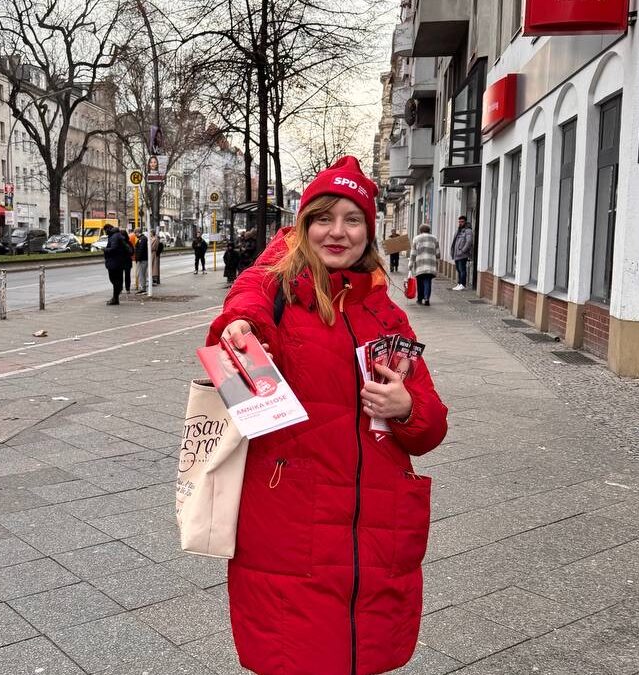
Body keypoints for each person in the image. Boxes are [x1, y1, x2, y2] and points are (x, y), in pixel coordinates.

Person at [206, 155, 448, 675]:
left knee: (365, 657)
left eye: (353, 219)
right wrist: (238, 326)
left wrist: (407, 408)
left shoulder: (387, 311)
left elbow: (431, 429)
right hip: (295, 533)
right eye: (323, 217)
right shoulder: (276, 299)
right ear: (303, 226)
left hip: (376, 530)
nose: (338, 232)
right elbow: (247, 298)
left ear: (370, 230)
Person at [409, 223, 441, 306]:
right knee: (428, 281)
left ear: (420, 230)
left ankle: (420, 299)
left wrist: (410, 264)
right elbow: (437, 253)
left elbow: (413, 253)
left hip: (420, 264)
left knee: (420, 282)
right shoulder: (434, 238)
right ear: (429, 230)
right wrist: (438, 261)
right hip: (430, 264)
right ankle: (427, 298)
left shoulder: (416, 239)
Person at [101, 224, 130, 305]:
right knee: (116, 280)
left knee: (114, 280)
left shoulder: (114, 237)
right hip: (118, 262)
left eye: (105, 230)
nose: (105, 232)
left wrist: (105, 250)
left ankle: (115, 298)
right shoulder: (117, 235)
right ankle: (115, 297)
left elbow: (114, 249)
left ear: (109, 229)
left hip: (114, 263)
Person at [450, 215, 473, 290]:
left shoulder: (468, 231)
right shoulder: (458, 230)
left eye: (462, 222)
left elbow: (469, 242)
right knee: (458, 269)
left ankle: (462, 284)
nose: (460, 223)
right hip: (456, 254)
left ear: (465, 222)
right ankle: (459, 283)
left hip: (462, 254)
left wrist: (463, 250)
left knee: (462, 269)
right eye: (459, 222)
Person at [120, 228, 134, 293]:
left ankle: (120, 289)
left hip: (120, 261)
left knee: (120, 276)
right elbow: (132, 252)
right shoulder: (129, 243)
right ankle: (127, 289)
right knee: (127, 276)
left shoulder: (119, 243)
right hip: (128, 261)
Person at [134, 229, 148, 294]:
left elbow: (141, 249)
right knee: (141, 274)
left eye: (135, 233)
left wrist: (138, 258)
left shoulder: (142, 239)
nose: (135, 234)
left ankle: (143, 288)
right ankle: (142, 287)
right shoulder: (142, 238)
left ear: (138, 232)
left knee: (141, 274)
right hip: (142, 259)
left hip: (142, 259)